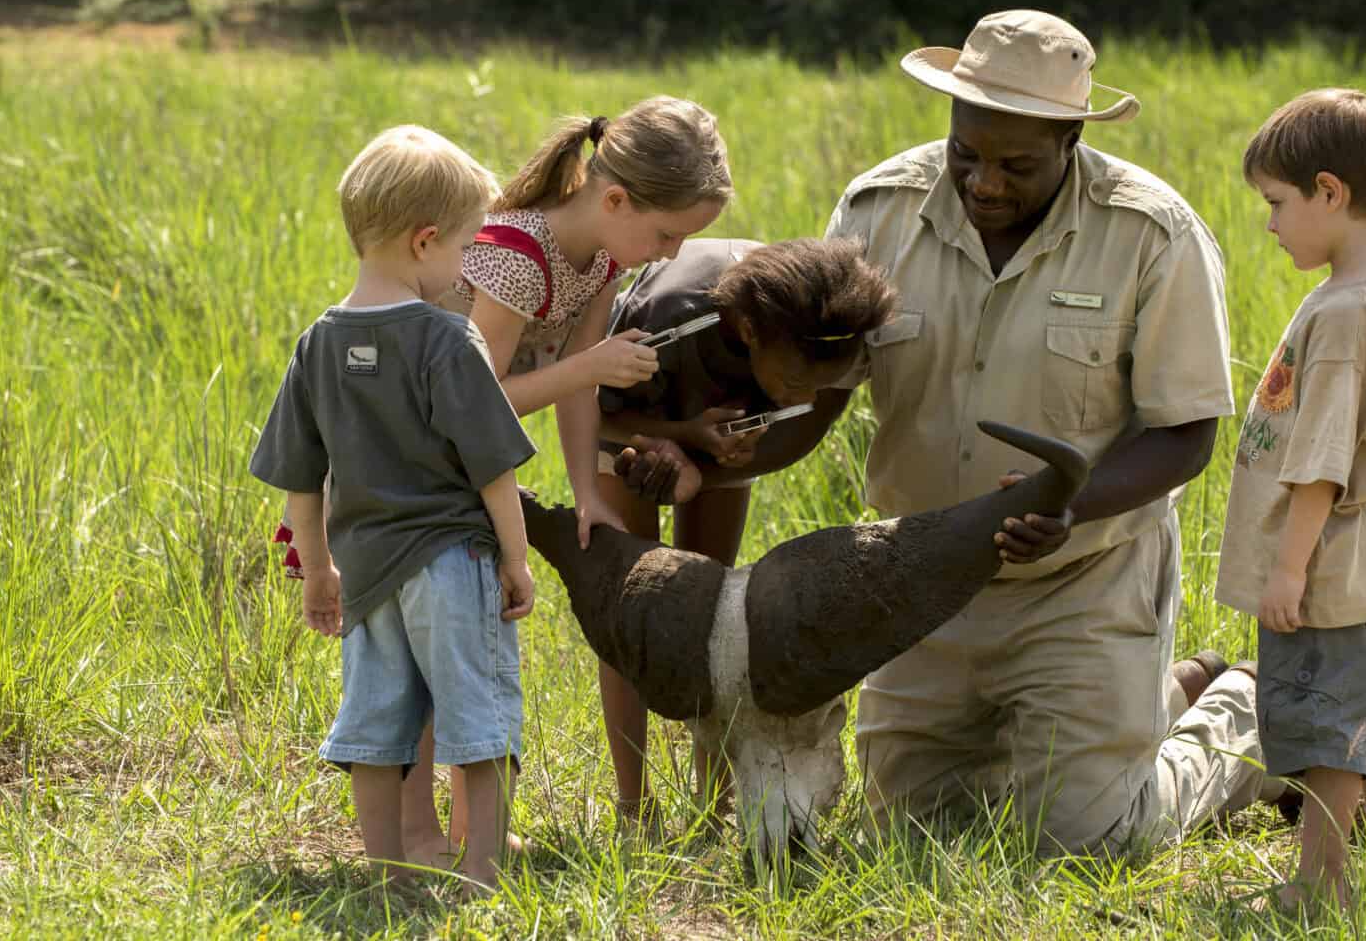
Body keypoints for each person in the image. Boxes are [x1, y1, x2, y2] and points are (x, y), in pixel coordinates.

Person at [818, 9, 1270, 856]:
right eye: (966, 155)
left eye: (1017, 164)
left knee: (1089, 840)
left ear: (1071, 140)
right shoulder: (876, 210)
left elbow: (1187, 434)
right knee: (911, 835)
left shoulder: (1151, 233)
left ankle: (1246, 711)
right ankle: (1150, 702)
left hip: (1085, 579)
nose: (985, 182)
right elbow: (820, 387)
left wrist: (1072, 507)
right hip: (922, 578)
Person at [434, 95, 734, 834]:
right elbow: (476, 401)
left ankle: (463, 823)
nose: (670, 255)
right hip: (422, 458)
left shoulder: (601, 254)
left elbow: (579, 376)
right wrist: (589, 366)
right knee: (442, 639)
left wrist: (584, 493)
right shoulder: (514, 256)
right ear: (615, 198)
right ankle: (428, 829)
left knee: (476, 632)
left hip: (468, 463)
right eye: (667, 235)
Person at [250, 125, 537, 892]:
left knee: (376, 725)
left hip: (365, 572)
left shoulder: (317, 345)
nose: (467, 268)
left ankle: (388, 870)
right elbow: (494, 470)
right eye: (466, 249)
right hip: (453, 561)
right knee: (477, 714)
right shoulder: (450, 341)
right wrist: (515, 559)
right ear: (424, 242)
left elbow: (301, 482)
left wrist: (318, 571)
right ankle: (481, 872)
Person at [590, 236, 897, 821]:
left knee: (710, 609)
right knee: (631, 611)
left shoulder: (830, 331)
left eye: (815, 385)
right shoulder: (669, 323)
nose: (801, 395)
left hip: (726, 430)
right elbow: (596, 409)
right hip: (630, 413)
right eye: (791, 381)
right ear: (751, 334)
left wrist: (712, 458)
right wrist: (680, 437)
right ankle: (635, 806)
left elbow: (807, 424)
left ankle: (715, 800)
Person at [1217, 88, 1366, 912]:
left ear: (1329, 193)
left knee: (1327, 733)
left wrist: (1288, 572)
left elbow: (1323, 463)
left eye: (1277, 203)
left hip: (1326, 565)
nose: (1269, 225)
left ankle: (1321, 886)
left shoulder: (1339, 314)